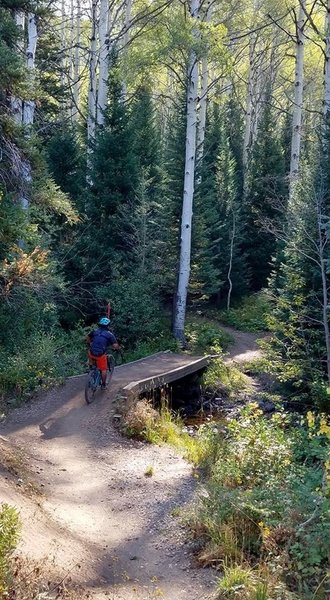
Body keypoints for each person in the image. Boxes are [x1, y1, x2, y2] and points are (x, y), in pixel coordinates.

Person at [86, 317, 120, 389]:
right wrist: (117, 349)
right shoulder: (110, 335)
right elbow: (115, 345)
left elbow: (88, 338)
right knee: (103, 370)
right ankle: (103, 385)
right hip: (100, 354)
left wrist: (90, 343)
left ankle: (91, 366)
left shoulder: (94, 331)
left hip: (92, 352)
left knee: (89, 351)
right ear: (108, 326)